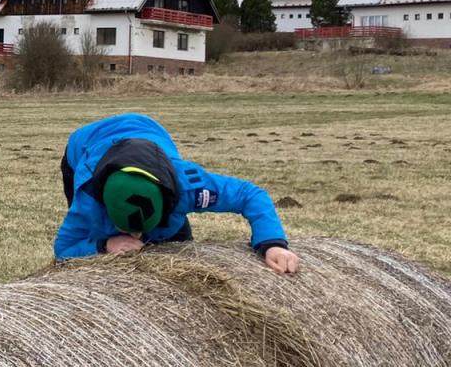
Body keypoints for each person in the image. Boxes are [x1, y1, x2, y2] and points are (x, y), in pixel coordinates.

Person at [54, 112, 300, 274]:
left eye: (142, 228)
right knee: (90, 256)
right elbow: (64, 252)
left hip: (147, 128)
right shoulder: (87, 200)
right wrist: (104, 243)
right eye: (127, 229)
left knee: (179, 250)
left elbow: (251, 195)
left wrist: (272, 244)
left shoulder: (189, 186)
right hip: (84, 144)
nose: (137, 236)